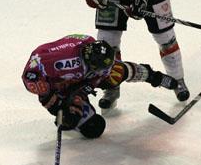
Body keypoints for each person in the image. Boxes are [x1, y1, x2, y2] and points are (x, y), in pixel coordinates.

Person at [22, 34, 178, 138]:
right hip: (61, 88)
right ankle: (70, 115)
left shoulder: (94, 51)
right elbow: (33, 74)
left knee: (117, 72)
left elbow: (109, 68)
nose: (106, 72)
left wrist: (153, 78)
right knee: (93, 127)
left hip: (82, 80)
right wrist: (59, 108)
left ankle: (152, 75)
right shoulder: (61, 61)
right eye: (102, 69)